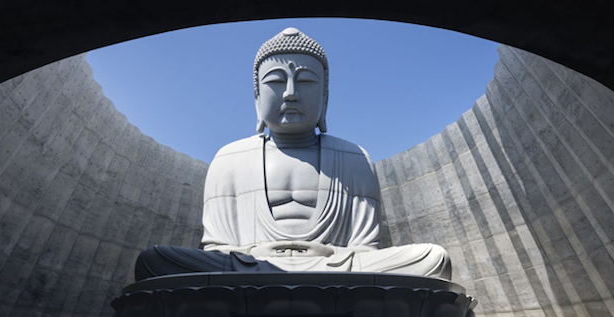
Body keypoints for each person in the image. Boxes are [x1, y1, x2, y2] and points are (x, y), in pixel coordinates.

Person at [136, 28, 451, 280]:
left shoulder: (355, 158)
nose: (290, 93)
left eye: (305, 81)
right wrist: (251, 261)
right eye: (275, 81)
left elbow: (364, 251)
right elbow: (219, 248)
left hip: (336, 269)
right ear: (257, 97)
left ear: (324, 97)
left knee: (432, 260)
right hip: (247, 268)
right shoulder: (229, 159)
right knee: (155, 261)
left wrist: (336, 261)